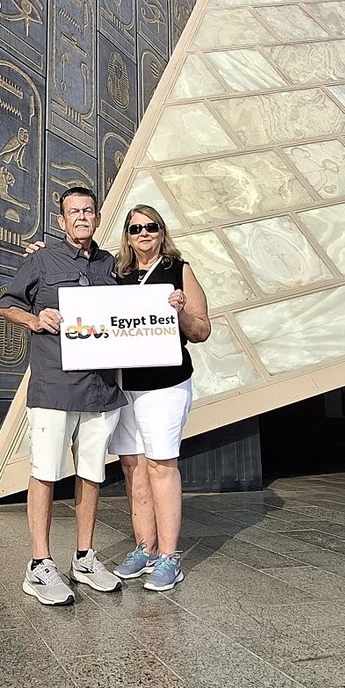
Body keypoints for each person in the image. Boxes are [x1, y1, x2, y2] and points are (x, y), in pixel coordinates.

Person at [0, 186, 125, 605]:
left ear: (97, 217)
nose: (82, 217)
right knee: (45, 472)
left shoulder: (110, 264)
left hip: (101, 389)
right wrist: (35, 320)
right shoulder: (41, 258)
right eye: (74, 212)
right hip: (54, 386)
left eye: (88, 211)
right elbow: (7, 305)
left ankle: (84, 558)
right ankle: (39, 565)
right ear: (61, 220)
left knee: (92, 474)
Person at [108, 205, 211, 591]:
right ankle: (145, 548)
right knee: (132, 466)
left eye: (151, 226)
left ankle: (169, 557)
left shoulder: (178, 270)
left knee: (160, 465)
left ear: (162, 231)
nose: (144, 233)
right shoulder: (118, 274)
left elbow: (201, 330)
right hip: (125, 384)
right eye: (135, 228)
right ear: (127, 235)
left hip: (166, 383)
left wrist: (180, 313)